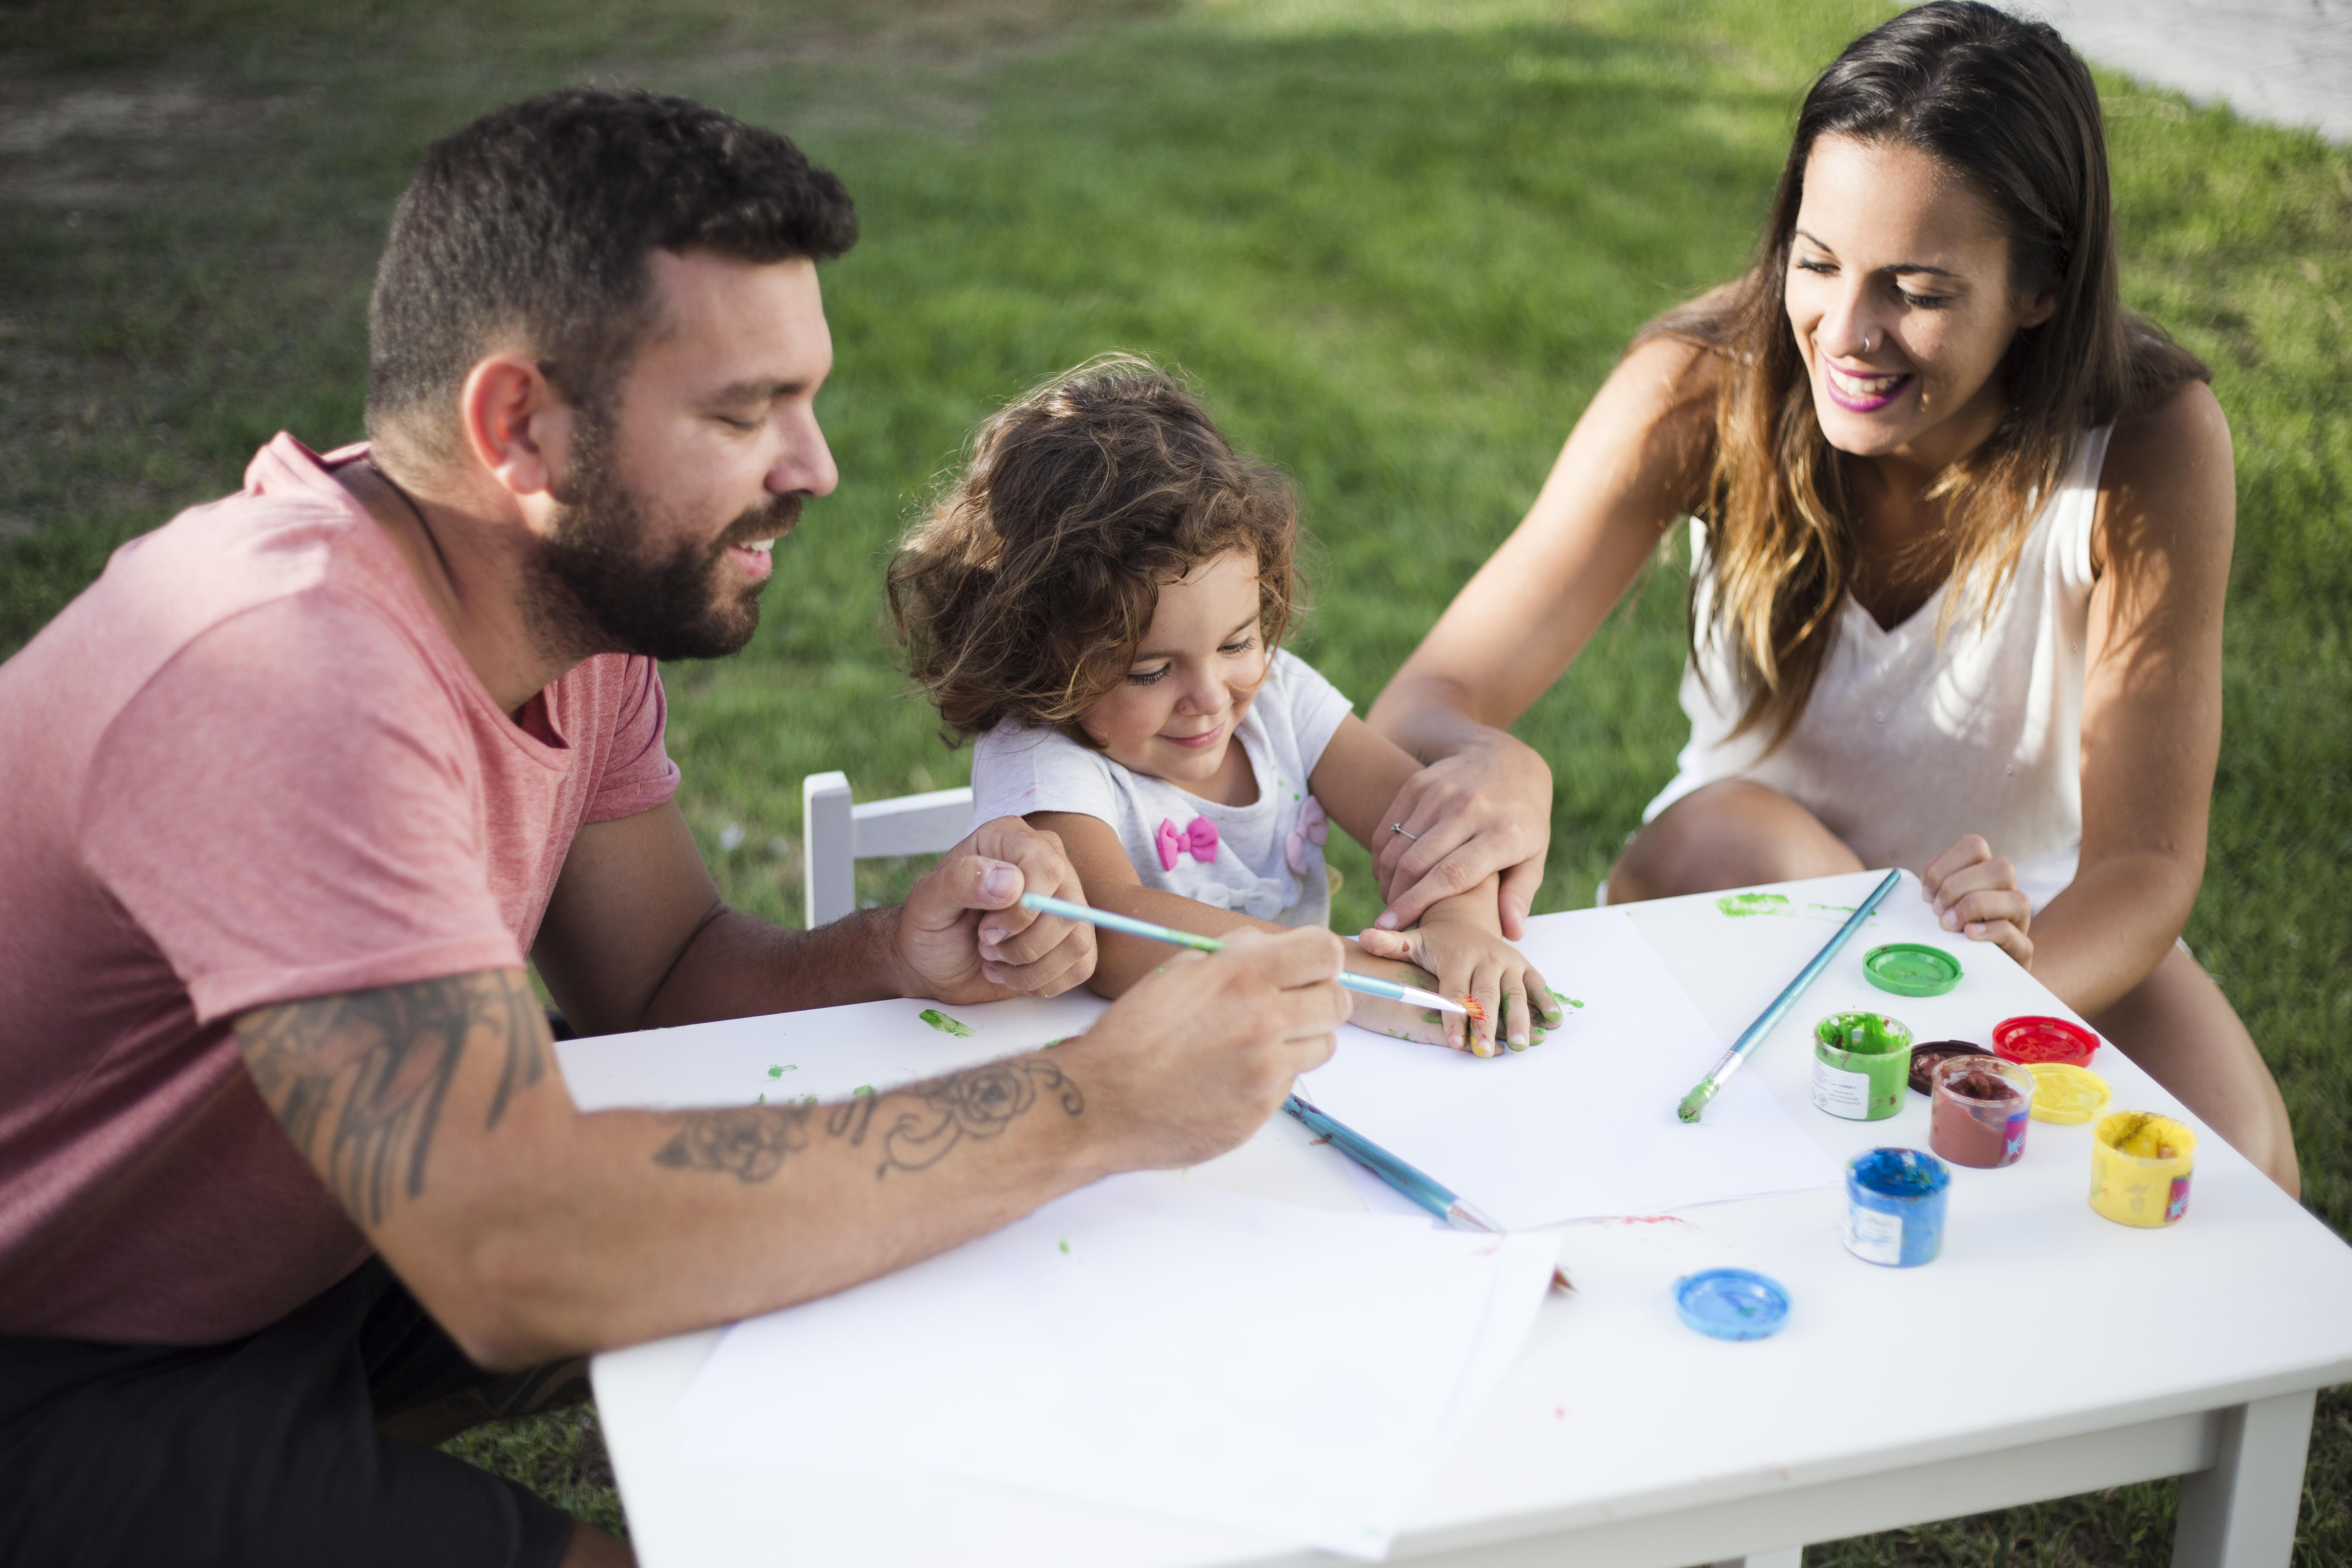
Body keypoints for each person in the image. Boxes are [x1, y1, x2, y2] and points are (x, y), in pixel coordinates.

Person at [0, 91, 1354, 1568]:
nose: (817, 466)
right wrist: (1091, 1102)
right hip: (60, 1349)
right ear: (518, 427)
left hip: (316, 1231)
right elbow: (519, 1249)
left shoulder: (559, 606)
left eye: (807, 397)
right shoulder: (288, 674)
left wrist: (895, 946)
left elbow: (662, 981)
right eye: (740, 412)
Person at [1364, 1, 2298, 1190]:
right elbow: (1427, 704)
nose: (1845, 333)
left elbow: (2146, 867)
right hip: (1746, 869)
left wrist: (1990, 989)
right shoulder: (1702, 386)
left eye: (1916, 288)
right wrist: (1507, 765)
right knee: (1751, 841)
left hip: (2019, 918)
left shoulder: (2152, 440)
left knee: (2249, 1172)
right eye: (1816, 263)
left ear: (2044, 284)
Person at [887, 357, 1560, 1056]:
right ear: (1045, 666)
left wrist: (1463, 923)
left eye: (1238, 641)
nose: (1210, 698)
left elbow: (1430, 826)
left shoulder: (1277, 696)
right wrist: (1346, 978)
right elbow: (1111, 933)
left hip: (1272, 1060)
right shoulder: (1039, 755)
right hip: (1116, 1077)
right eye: (1150, 673)